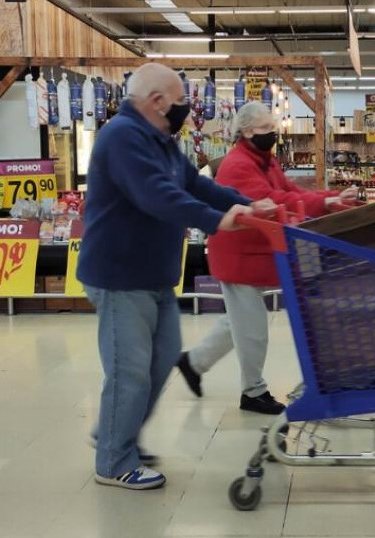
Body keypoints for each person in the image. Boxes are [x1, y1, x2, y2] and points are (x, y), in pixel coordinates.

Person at [77, 63, 265, 491]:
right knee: (130, 371)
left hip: (154, 274)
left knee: (161, 360)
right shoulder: (123, 137)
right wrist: (219, 221)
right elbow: (158, 197)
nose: (186, 109)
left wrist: (247, 205)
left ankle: (113, 434)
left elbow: (196, 186)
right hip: (120, 275)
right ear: (157, 101)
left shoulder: (160, 140)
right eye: (181, 102)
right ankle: (113, 460)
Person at [175, 102, 358, 414]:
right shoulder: (238, 165)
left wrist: (327, 199)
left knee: (239, 320)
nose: (273, 133)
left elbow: (289, 189)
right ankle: (253, 392)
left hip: (256, 251)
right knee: (252, 327)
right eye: (265, 129)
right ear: (247, 132)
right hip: (238, 254)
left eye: (274, 128)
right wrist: (324, 202)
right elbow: (274, 200)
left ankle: (193, 362)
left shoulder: (265, 161)